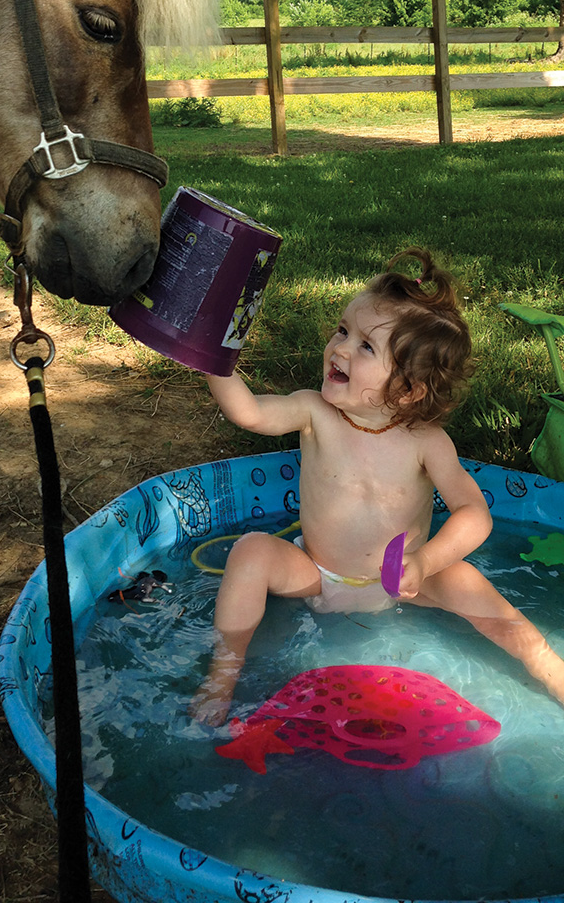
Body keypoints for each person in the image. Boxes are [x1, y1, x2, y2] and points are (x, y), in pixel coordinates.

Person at [191, 247, 564, 726]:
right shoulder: (313, 411)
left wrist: (425, 561)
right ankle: (223, 672)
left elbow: (474, 513)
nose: (340, 348)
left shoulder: (427, 443)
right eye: (343, 330)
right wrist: (212, 359)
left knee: (472, 586)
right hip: (316, 573)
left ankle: (546, 665)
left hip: (404, 584)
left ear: (409, 389)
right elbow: (248, 412)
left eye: (365, 346)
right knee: (251, 552)